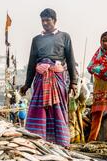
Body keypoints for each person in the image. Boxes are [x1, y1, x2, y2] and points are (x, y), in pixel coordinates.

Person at [20, 8, 78, 147]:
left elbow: (70, 60)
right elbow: (32, 63)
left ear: (55, 20)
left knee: (58, 108)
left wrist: (73, 83)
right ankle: (38, 140)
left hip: (57, 78)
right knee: (38, 109)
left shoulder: (65, 37)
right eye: (43, 21)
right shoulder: (36, 40)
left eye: (48, 20)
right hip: (40, 79)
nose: (45, 23)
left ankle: (60, 142)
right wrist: (27, 84)